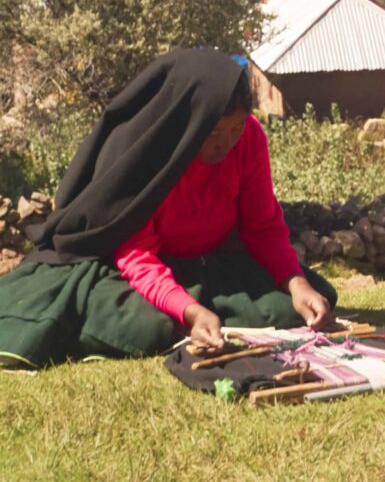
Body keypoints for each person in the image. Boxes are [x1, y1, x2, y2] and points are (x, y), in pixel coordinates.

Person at [0, 48, 337, 367]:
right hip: (133, 270)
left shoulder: (249, 138)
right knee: (147, 329)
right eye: (216, 132)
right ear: (190, 123)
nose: (227, 143)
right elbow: (137, 255)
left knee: (313, 297)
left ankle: (198, 313)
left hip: (211, 266)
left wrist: (296, 284)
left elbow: (262, 227)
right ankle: (184, 316)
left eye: (236, 129)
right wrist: (189, 311)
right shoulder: (151, 152)